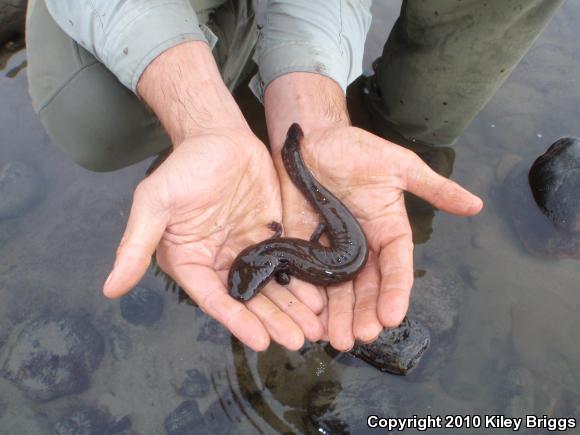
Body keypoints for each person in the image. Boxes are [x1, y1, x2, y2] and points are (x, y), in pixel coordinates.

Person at [25, 0, 561, 352]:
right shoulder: (279, 252)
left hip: (335, 245)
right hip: (334, 244)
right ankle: (229, 52)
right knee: (94, 116)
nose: (260, 273)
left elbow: (283, 255)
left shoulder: (280, 256)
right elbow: (282, 252)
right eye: (252, 274)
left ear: (264, 265)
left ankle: (369, 123)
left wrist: (312, 95)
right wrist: (200, 116)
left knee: (415, 116)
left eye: (255, 273)